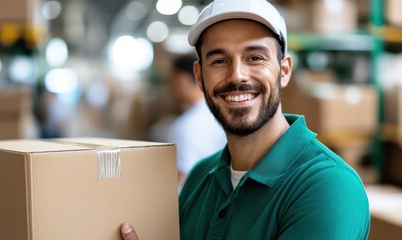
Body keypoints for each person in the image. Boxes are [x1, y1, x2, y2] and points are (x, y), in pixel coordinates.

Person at [121, 0, 370, 239]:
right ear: (199, 77)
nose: (237, 75)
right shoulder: (200, 176)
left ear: (283, 70)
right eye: (219, 61)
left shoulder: (327, 186)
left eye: (255, 58)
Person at [151, 54, 227, 189]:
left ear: (182, 79)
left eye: (172, 80)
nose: (171, 87)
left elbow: (182, 181)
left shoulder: (185, 126)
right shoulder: (224, 114)